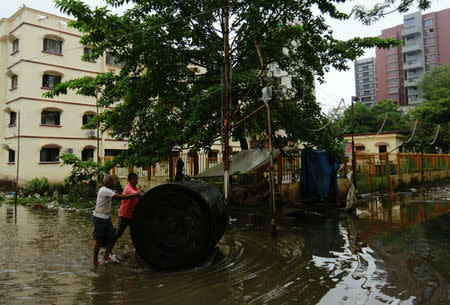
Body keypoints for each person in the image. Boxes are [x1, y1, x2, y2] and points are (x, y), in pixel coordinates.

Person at [92, 174, 142, 266]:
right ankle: (95, 262)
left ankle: (106, 257)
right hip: (99, 218)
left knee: (112, 237)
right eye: (112, 181)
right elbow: (120, 197)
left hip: (106, 217)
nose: (114, 182)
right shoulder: (104, 190)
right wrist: (135, 194)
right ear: (107, 182)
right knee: (98, 240)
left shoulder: (107, 190)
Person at [115, 172, 143, 240]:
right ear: (129, 180)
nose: (136, 181)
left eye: (136, 179)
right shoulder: (128, 188)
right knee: (119, 233)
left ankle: (138, 248)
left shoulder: (135, 188)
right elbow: (138, 194)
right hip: (124, 215)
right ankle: (109, 247)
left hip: (131, 215)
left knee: (135, 232)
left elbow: (139, 195)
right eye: (134, 179)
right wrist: (141, 192)